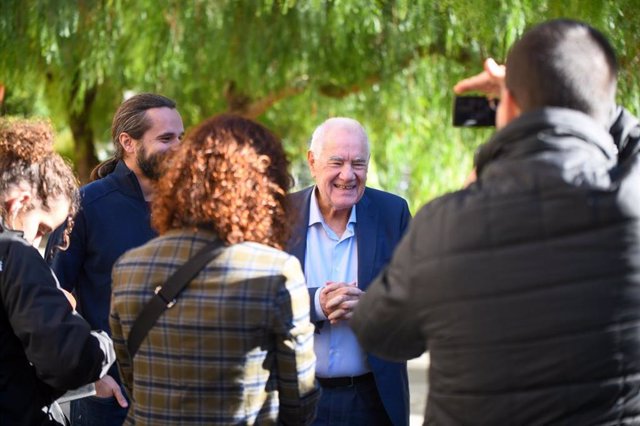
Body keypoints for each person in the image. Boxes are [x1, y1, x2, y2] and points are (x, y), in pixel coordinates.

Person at [351, 19, 640, 424]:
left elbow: (379, 331)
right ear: (603, 107)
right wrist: (571, 91)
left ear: (509, 106)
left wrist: (476, 178)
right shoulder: (631, 202)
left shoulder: (444, 224)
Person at [109, 113, 320, 425]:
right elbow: (299, 400)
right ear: (262, 190)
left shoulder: (129, 266)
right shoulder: (275, 271)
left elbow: (132, 376)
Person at [45, 93, 184, 425]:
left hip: (183, 396)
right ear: (128, 142)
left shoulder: (192, 207)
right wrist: (88, 378)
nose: (179, 147)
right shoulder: (85, 206)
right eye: (166, 138)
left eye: (181, 137)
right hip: (111, 401)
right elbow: (50, 298)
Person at [287, 117, 411, 426]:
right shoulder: (278, 215)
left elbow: (420, 301)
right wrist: (317, 303)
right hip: (293, 398)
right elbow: (256, 301)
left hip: (371, 400)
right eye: (337, 162)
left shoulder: (392, 213)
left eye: (358, 163)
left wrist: (372, 307)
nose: (348, 174)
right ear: (312, 162)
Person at [0, 118, 115, 425]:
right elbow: (66, 358)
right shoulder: (14, 251)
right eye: (41, 228)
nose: (35, 240)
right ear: (21, 201)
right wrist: (103, 346)